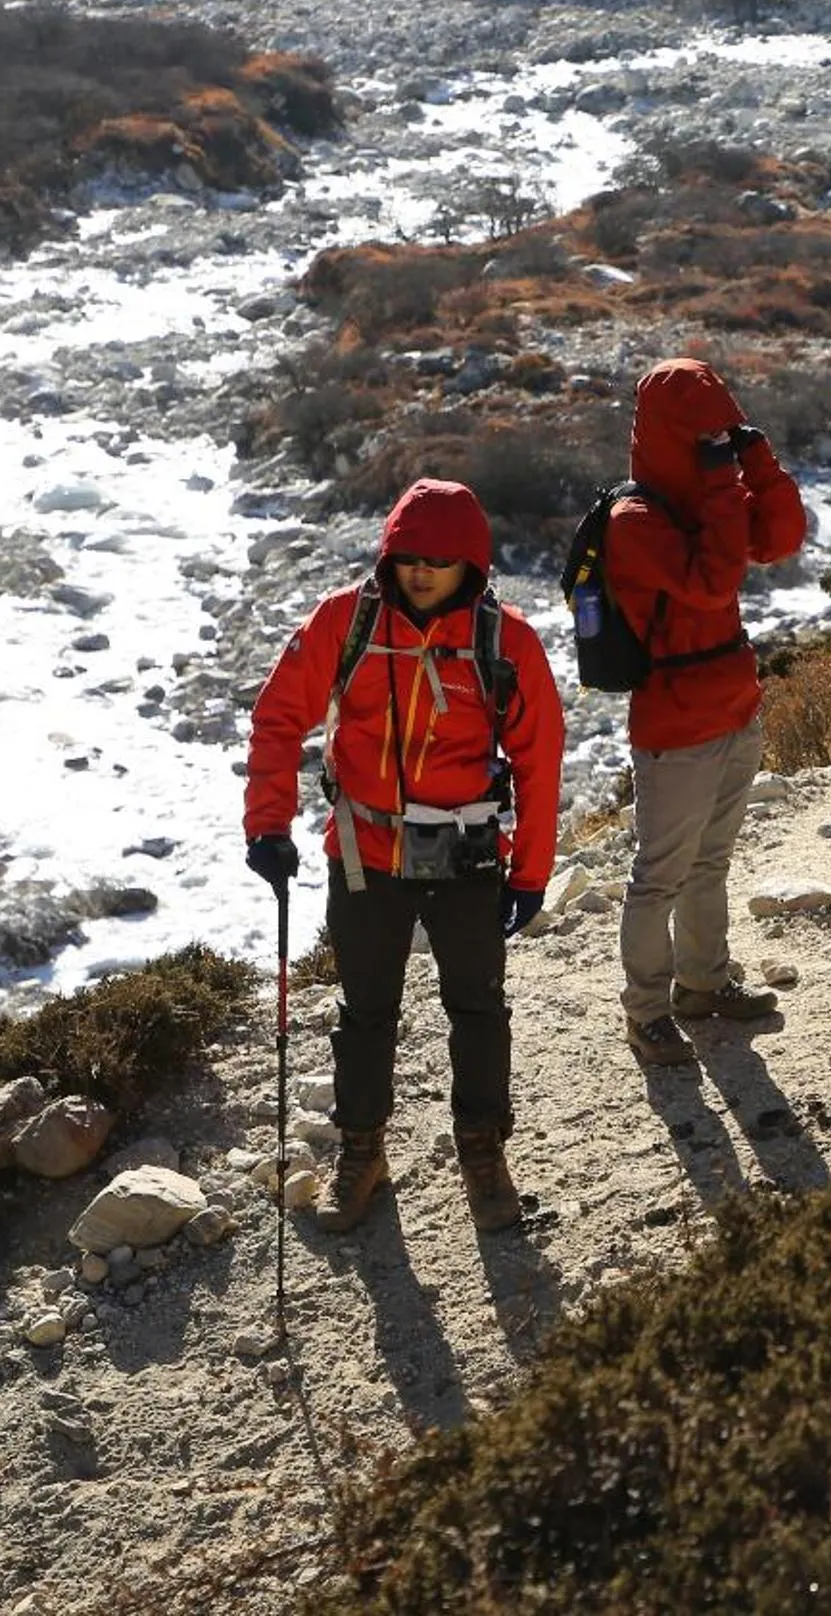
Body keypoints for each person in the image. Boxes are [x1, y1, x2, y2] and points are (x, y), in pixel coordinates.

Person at [242, 478, 564, 1234]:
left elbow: (539, 756)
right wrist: (268, 825)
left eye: (440, 560)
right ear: (390, 552)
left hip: (468, 850)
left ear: (471, 565)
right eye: (410, 556)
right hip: (366, 848)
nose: (421, 571)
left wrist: (532, 870)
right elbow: (278, 717)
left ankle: (484, 1154)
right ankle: (363, 1152)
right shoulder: (345, 621)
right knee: (365, 1012)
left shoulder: (504, 639)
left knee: (478, 1009)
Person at [610, 357, 809, 1069]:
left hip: (734, 708)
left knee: (711, 864)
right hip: (674, 723)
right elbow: (712, 578)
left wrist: (757, 461)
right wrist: (726, 480)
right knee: (659, 874)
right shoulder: (634, 519)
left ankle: (702, 983)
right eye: (708, 431)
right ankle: (646, 1013)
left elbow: (782, 538)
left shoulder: (707, 497)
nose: (717, 441)